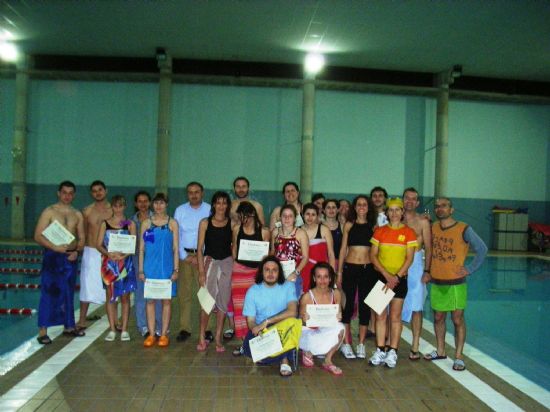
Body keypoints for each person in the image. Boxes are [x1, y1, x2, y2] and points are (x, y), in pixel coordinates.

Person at [423, 197, 487, 371]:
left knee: (457, 319)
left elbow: (482, 249)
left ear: (452, 210)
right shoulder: (433, 228)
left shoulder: (463, 228)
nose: (440, 208)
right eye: (437, 206)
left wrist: (470, 269)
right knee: (438, 318)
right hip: (437, 281)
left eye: (444, 206)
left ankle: (458, 357)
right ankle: (441, 350)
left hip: (456, 283)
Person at [35, 181, 85, 344]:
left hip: (70, 257)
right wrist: (54, 248)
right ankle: (43, 330)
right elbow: (38, 236)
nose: (67, 196)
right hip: (52, 256)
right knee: (48, 292)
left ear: (74, 195)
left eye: (71, 193)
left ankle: (69, 326)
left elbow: (82, 238)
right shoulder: (49, 212)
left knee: (68, 292)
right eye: (64, 192)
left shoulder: (77, 214)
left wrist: (76, 251)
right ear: (58, 193)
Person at [369, 197, 417, 368]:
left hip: (400, 279)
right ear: (387, 212)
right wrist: (386, 275)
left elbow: (410, 258)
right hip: (382, 278)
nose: (395, 213)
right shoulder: (379, 231)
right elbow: (373, 256)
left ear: (402, 212)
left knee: (395, 317)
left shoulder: (409, 232)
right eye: (391, 210)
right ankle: (380, 349)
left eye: (398, 209)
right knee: (380, 316)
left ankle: (393, 351)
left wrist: (396, 277)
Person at [242, 256, 299, 377]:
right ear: (261, 272)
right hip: (263, 331)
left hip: (282, 328)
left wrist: (267, 321)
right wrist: (257, 330)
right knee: (248, 347)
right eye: (267, 270)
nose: (271, 273)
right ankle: (277, 354)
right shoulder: (253, 291)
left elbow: (293, 312)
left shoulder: (288, 286)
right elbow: (251, 321)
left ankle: (284, 359)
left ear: (280, 273)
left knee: (293, 323)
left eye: (274, 270)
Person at [338, 195, 378, 359]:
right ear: (355, 207)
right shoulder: (349, 225)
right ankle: (347, 343)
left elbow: (377, 251)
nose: (361, 207)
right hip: (350, 268)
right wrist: (339, 271)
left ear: (368, 207)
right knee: (346, 307)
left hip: (367, 270)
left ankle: (361, 344)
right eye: (358, 204)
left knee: (364, 307)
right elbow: (343, 249)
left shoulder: (373, 227)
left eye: (364, 204)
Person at [139, 193, 179, 348]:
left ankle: (163, 334)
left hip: (167, 268)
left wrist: (176, 269)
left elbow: (175, 248)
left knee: (166, 301)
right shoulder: (147, 224)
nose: (158, 206)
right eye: (156, 203)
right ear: (152, 205)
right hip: (150, 268)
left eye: (161, 203)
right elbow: (143, 249)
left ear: (166, 204)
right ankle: (150, 334)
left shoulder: (172, 223)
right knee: (150, 301)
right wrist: (141, 270)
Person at [230, 201, 270, 355]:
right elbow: (234, 248)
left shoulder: (264, 232)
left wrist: (260, 271)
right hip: (239, 272)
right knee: (240, 308)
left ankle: (259, 342)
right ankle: (243, 343)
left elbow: (267, 253)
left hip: (256, 274)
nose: (242, 218)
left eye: (244, 215)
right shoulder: (236, 229)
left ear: (252, 214)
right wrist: (239, 263)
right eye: (240, 215)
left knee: (257, 307)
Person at [196, 191, 234, 352]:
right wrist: (201, 272)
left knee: (223, 302)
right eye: (218, 203)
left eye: (224, 203)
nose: (221, 206)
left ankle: (218, 337)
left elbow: (234, 247)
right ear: (213, 205)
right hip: (209, 263)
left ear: (228, 205)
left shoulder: (232, 224)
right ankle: (201, 336)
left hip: (227, 264)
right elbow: (199, 249)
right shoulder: (205, 223)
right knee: (206, 302)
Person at [173, 181, 211, 342]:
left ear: (202, 193)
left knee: (206, 294)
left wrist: (201, 256)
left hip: (204, 257)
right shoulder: (180, 210)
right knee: (185, 294)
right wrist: (184, 255)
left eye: (196, 192)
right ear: (187, 194)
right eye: (190, 192)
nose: (194, 195)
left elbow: (212, 235)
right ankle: (184, 328)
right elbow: (176, 235)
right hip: (185, 257)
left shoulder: (210, 209)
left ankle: (208, 328)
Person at [96, 195, 137, 341]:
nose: (118, 209)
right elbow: (98, 244)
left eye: (121, 206)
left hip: (125, 264)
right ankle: (112, 329)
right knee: (111, 297)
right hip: (109, 264)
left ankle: (124, 329)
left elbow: (133, 245)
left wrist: (124, 256)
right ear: (112, 207)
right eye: (115, 206)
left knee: (125, 297)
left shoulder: (129, 223)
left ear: (125, 206)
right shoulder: (105, 224)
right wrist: (108, 253)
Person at [401, 187, 432, 360]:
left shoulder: (423, 222)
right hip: (395, 265)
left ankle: (415, 345)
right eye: (407, 198)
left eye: (413, 199)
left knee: (417, 307)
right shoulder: (394, 218)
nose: (410, 201)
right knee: (392, 305)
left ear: (418, 202)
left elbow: (429, 248)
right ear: (402, 199)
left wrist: (427, 270)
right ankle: (391, 344)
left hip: (416, 268)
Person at [299, 262, 345, 375]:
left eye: (325, 277)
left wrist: (339, 316)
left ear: (330, 279)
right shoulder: (307, 297)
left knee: (341, 327)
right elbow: (300, 322)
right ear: (314, 278)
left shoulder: (336, 294)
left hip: (324, 330)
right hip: (309, 333)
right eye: (319, 277)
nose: (322, 280)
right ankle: (308, 351)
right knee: (308, 337)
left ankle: (327, 360)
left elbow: (337, 316)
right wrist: (305, 319)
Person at [77, 180, 111, 329]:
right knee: (86, 286)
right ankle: (82, 320)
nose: (98, 193)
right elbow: (82, 233)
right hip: (91, 252)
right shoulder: (87, 211)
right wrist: (77, 249)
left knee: (110, 286)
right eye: (94, 191)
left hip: (108, 252)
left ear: (106, 191)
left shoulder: (113, 210)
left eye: (100, 190)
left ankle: (113, 319)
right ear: (91, 193)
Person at [131, 191, 162, 339]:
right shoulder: (129, 222)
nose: (142, 204)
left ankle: (158, 326)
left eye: (145, 201)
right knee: (140, 294)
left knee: (157, 293)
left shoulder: (155, 220)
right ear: (136, 204)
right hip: (136, 261)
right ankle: (143, 326)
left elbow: (153, 242)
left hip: (153, 261)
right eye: (139, 201)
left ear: (149, 203)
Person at [271, 204, 309, 298]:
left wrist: (295, 272)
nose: (287, 218)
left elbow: (305, 257)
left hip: (293, 274)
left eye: (290, 216)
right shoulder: (275, 232)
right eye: (284, 215)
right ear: (280, 217)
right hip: (277, 274)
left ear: (295, 218)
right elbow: (272, 252)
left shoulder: (301, 233)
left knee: (292, 304)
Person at [301, 203, 336, 292]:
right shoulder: (298, 231)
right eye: (307, 214)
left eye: (313, 214)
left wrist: (332, 273)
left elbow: (331, 253)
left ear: (317, 216)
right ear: (302, 214)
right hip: (302, 270)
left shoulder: (324, 230)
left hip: (320, 272)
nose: (310, 217)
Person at [323, 199, 343, 271]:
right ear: (324, 210)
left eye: (333, 207)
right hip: (322, 263)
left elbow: (345, 249)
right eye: (328, 207)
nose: (331, 210)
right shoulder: (318, 227)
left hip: (339, 263)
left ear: (337, 210)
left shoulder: (343, 227)